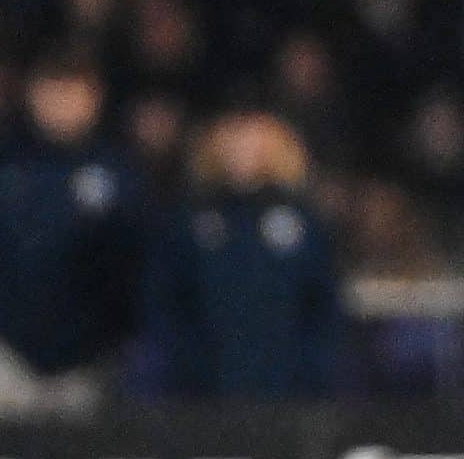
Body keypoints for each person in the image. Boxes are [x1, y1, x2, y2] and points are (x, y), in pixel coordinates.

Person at [0, 48, 146, 417]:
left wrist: (112, 329)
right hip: (1, 345)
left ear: (94, 98)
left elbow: (137, 263)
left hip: (85, 356)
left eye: (72, 92)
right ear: (33, 94)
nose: (61, 103)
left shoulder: (118, 173)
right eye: (52, 90)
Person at [142, 110, 343, 399]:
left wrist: (309, 370)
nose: (242, 149)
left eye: (253, 140)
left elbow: (323, 305)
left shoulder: (303, 222)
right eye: (234, 138)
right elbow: (164, 300)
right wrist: (185, 366)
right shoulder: (190, 220)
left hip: (286, 393)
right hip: (203, 393)